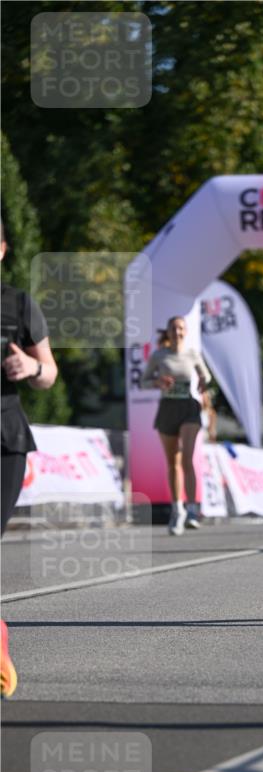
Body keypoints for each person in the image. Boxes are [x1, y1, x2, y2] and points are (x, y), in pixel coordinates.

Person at [1, 226, 58, 695]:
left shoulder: (19, 305)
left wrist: (31, 368)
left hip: (5, 438)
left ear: (1, 249)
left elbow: (49, 373)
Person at [141, 316, 211, 534]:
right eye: (173, 328)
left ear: (185, 331)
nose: (177, 332)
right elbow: (143, 381)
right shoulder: (159, 355)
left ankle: (192, 509)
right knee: (173, 463)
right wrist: (158, 382)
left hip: (188, 408)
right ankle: (177, 509)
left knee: (188, 457)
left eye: (181, 328)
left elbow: (206, 376)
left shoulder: (192, 354)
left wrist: (202, 381)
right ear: (168, 332)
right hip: (168, 409)